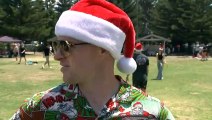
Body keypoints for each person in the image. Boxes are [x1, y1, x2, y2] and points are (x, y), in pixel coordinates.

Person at [10, 0, 175, 119]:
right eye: (56, 45)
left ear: (103, 48)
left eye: (66, 45)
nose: (57, 56)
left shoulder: (152, 112)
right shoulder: (40, 108)